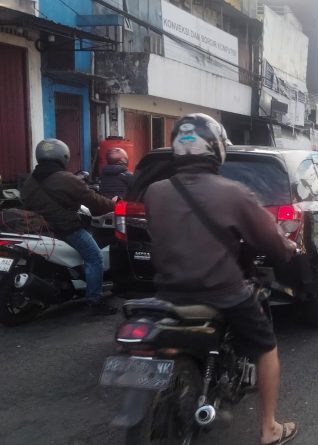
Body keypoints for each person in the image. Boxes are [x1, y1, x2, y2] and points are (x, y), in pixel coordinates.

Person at [143, 114, 299, 445]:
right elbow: (271, 241)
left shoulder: (155, 192)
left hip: (168, 292)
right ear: (215, 148)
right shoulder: (233, 193)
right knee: (266, 346)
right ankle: (269, 428)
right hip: (222, 292)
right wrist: (288, 249)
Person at [21, 139, 118, 315]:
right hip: (65, 228)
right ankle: (94, 301)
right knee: (95, 257)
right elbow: (95, 203)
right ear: (63, 156)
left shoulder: (29, 180)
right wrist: (113, 204)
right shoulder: (66, 179)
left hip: (38, 227)